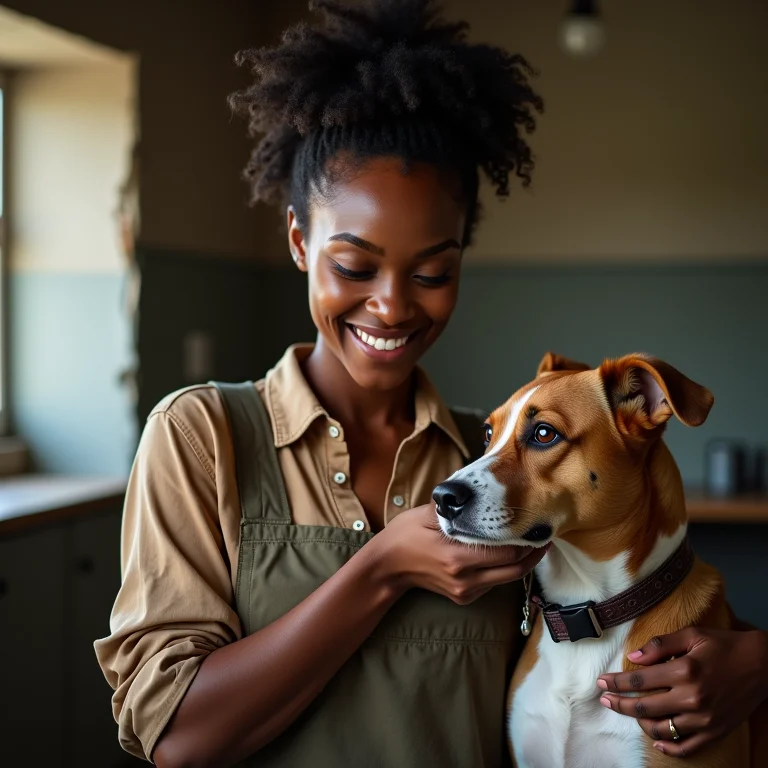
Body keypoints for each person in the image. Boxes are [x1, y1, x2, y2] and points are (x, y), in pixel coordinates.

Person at [95, 1, 768, 766]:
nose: (391, 304)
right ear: (297, 241)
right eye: (354, 265)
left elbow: (637, 589)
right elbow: (177, 738)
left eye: (433, 271)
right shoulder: (201, 435)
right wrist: (380, 569)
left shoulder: (485, 459)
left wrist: (758, 662)